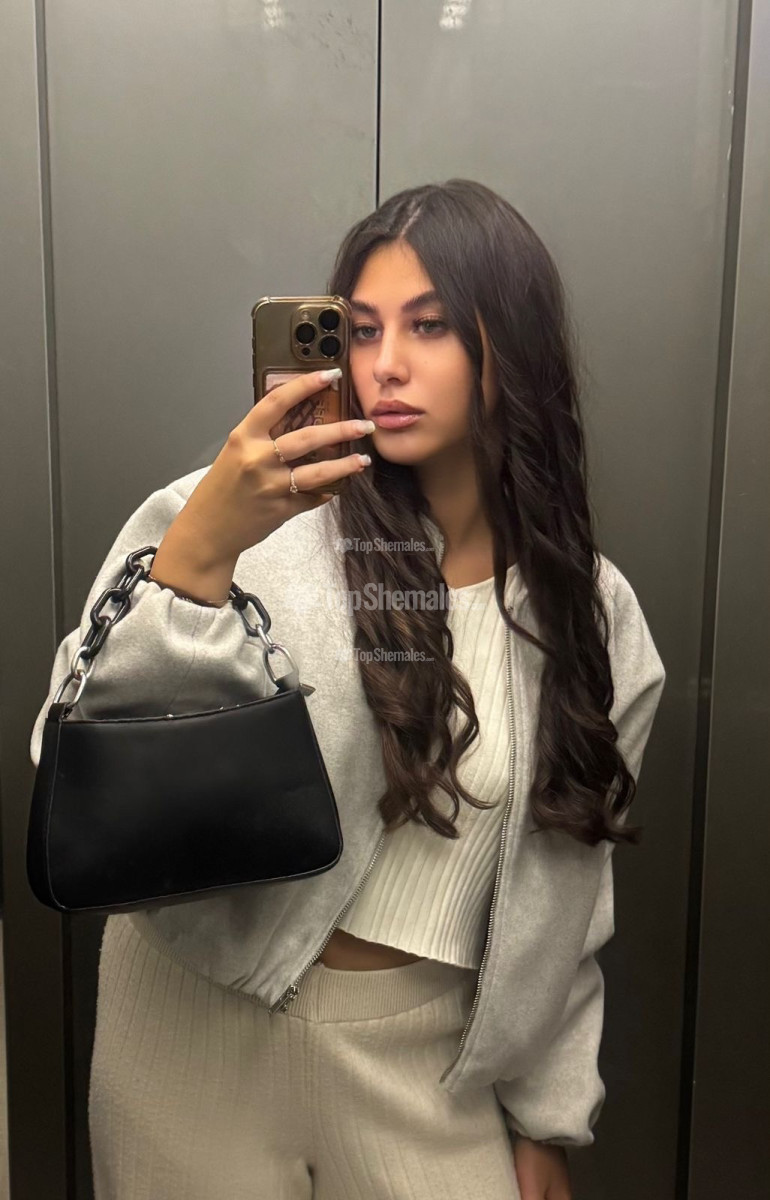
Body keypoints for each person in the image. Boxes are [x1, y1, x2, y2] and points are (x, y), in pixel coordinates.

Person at [31, 179, 666, 1200]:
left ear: (512, 345)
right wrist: (201, 552)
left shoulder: (589, 614)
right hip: (190, 1033)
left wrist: (545, 1116)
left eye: (430, 325)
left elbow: (569, 891)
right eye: (361, 329)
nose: (385, 365)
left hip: (428, 1063)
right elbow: (71, 749)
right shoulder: (238, 517)